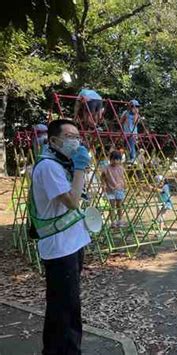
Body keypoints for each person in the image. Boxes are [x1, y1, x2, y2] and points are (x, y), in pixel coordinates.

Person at [29, 119, 91, 354]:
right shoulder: (48, 167)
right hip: (60, 248)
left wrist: (77, 168)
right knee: (65, 308)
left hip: (72, 245)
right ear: (54, 141)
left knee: (64, 306)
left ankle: (56, 350)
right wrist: (79, 169)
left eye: (77, 136)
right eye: (70, 136)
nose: (75, 141)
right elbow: (73, 202)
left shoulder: (59, 162)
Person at [101, 151, 126, 227]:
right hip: (110, 189)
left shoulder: (121, 168)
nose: (115, 161)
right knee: (112, 206)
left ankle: (120, 220)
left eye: (117, 159)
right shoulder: (107, 168)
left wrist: (124, 185)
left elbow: (123, 178)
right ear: (110, 159)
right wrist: (103, 184)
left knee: (119, 205)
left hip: (119, 189)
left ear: (120, 160)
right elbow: (102, 177)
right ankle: (113, 222)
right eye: (113, 159)